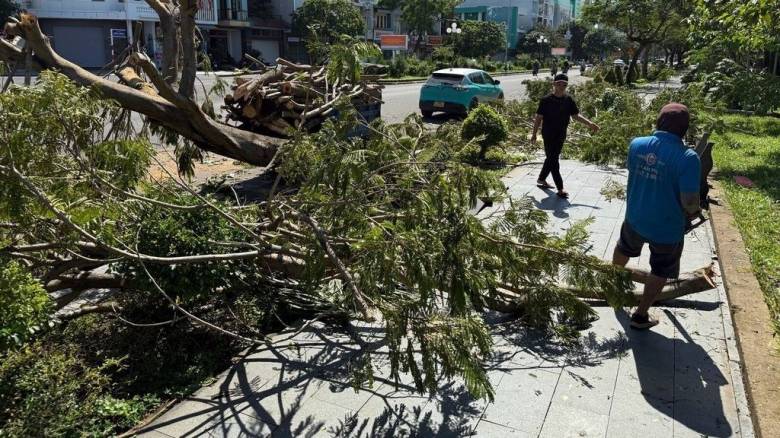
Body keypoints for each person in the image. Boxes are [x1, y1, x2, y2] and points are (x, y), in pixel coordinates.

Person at [612, 103, 701, 330]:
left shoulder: (637, 144)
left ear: (659, 121)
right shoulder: (688, 158)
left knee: (623, 248)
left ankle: (612, 286)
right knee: (661, 269)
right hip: (666, 228)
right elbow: (690, 202)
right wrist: (696, 211)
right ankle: (640, 315)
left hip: (635, 217)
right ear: (684, 129)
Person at [531, 74, 600, 198]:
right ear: (554, 84)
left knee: (551, 158)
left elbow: (575, 116)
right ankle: (560, 188)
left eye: (564, 84)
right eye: (559, 83)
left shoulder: (569, 100)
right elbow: (538, 118)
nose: (562, 86)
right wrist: (534, 134)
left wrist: (589, 123)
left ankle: (541, 179)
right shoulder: (546, 100)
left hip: (561, 133)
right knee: (553, 159)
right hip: (548, 133)